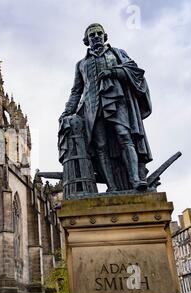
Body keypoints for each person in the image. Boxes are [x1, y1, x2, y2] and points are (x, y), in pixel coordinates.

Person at [59, 23, 153, 191]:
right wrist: (67, 111)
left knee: (125, 136)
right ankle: (112, 187)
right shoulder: (81, 64)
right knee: (100, 145)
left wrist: (114, 72)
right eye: (92, 35)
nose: (96, 36)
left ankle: (136, 180)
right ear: (86, 40)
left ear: (104, 36)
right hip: (92, 107)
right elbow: (77, 90)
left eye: (98, 33)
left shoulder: (117, 54)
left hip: (116, 102)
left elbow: (135, 71)